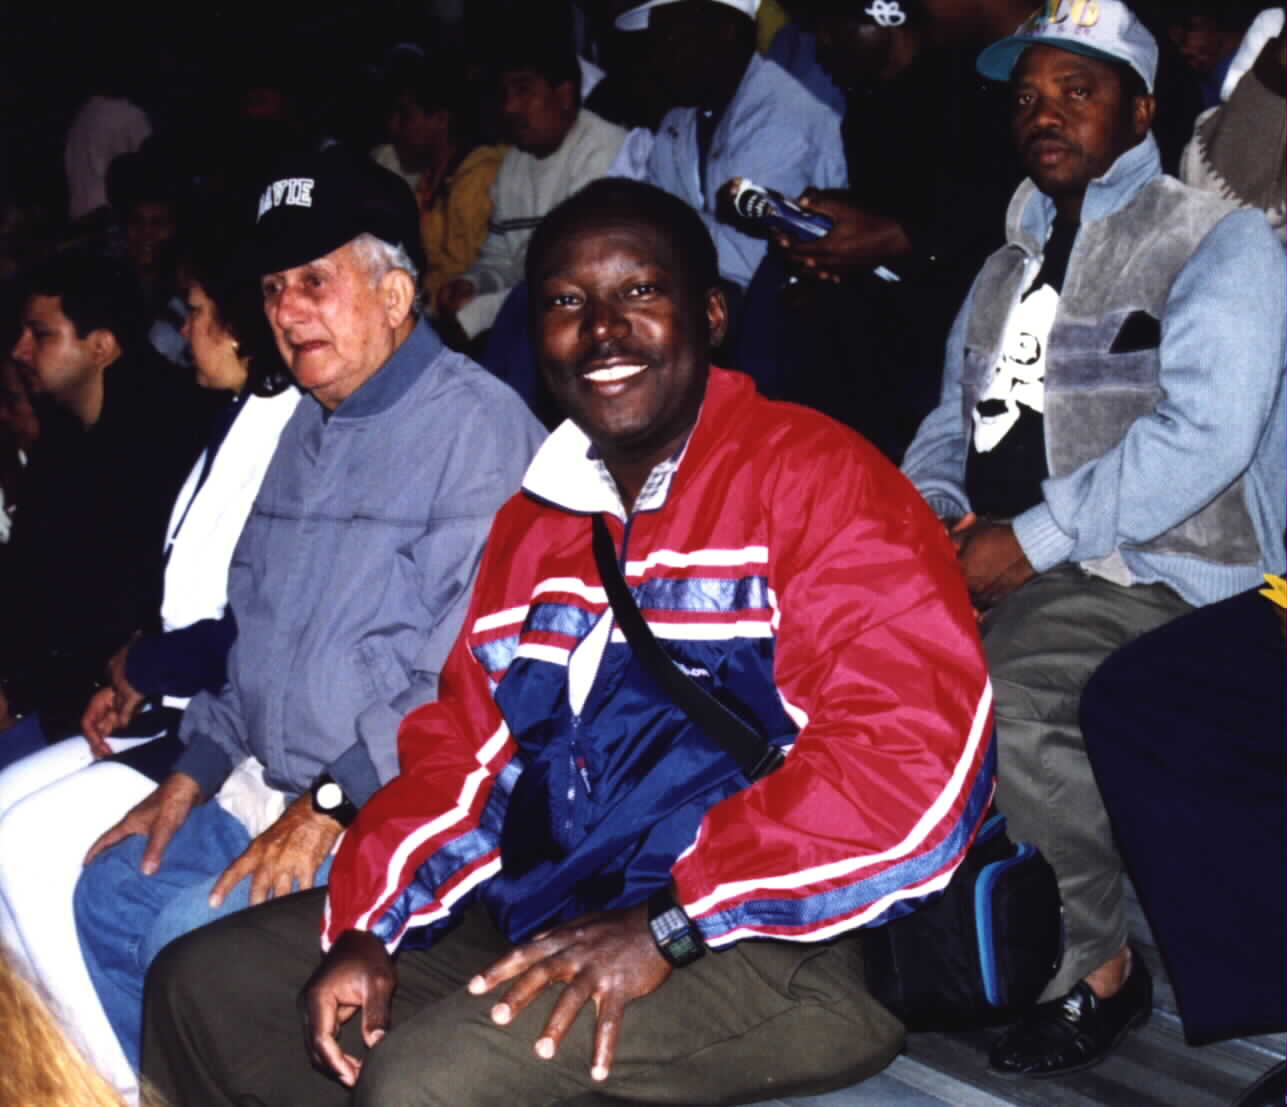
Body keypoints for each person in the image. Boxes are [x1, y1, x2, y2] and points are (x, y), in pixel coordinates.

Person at [141, 177, 994, 1107]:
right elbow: (468, 754)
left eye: (639, 292)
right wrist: (375, 924)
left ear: (709, 314)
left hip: (782, 937)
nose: (601, 328)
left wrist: (673, 921)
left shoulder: (816, 477)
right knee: (206, 983)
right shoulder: (540, 522)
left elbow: (910, 759)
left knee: (425, 1079)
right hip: (560, 906)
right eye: (565, 301)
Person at [73, 149, 546, 1074]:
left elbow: (461, 683)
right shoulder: (305, 422)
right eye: (277, 286)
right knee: (111, 895)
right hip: (270, 778)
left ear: (398, 294)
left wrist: (334, 801)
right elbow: (251, 628)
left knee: (186, 939)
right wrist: (193, 771)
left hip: (397, 806)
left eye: (316, 282)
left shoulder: (478, 431)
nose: (287, 312)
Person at [899, 0, 1287, 1078]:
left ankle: (1098, 970)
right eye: (1029, 97)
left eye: (1080, 89)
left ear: (1144, 108)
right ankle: (925, 941)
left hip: (1157, 565)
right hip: (1007, 548)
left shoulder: (1218, 238)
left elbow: (1208, 434)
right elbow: (949, 418)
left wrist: (1028, 539)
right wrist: (928, 513)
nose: (1046, 113)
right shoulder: (1002, 263)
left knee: (1008, 697)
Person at [0, 227, 301, 1096]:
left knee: (25, 839)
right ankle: (65, 1075)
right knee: (13, 820)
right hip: (176, 701)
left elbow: (242, 621)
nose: (189, 329)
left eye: (201, 311)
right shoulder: (232, 421)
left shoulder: (274, 432)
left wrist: (142, 665)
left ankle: (119, 1082)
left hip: (218, 722)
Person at [735, 0, 1027, 462]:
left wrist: (900, 237)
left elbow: (1000, 215)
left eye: (834, 28)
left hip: (969, 324)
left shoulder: (972, 87)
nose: (822, 48)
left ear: (885, 17)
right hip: (893, 319)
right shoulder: (868, 107)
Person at [2, 252, 211, 762]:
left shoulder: (167, 437)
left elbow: (119, 612)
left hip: (124, 711)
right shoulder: (66, 433)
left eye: (42, 335)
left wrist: (18, 692)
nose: (20, 350)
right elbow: (25, 579)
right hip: (49, 695)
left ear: (101, 346)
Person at [615, 0, 847, 290]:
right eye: (656, 40)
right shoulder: (681, 117)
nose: (657, 56)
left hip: (787, 309)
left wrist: (645, 225)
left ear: (726, 31)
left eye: (673, 37)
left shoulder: (783, 115)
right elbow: (654, 207)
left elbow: (751, 260)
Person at [435, 30, 625, 342]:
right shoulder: (513, 163)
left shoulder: (604, 150)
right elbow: (500, 259)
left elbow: (576, 275)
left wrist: (474, 315)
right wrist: (474, 284)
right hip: (530, 312)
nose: (509, 107)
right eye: (503, 93)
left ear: (564, 95)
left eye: (523, 90)